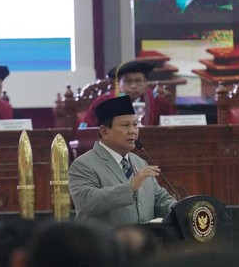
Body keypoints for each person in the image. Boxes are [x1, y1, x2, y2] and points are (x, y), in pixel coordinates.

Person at [68, 95, 177, 227]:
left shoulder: (140, 162)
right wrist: (130, 186)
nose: (133, 131)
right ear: (104, 132)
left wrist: (184, 209)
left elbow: (159, 199)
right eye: (125, 125)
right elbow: (87, 202)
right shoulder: (83, 164)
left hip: (143, 243)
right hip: (103, 245)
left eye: (135, 125)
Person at [83, 60, 177, 127]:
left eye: (138, 81)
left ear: (145, 82)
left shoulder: (157, 101)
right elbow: (87, 131)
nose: (133, 86)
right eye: (128, 81)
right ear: (118, 83)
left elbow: (173, 127)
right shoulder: (104, 102)